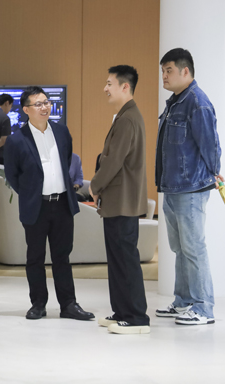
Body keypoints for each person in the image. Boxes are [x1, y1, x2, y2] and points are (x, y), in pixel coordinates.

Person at [4, 86, 94, 321]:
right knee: (35, 257)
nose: (44, 107)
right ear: (26, 110)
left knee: (62, 256)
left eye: (46, 102)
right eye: (38, 104)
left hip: (62, 204)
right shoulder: (16, 140)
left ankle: (69, 304)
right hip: (36, 206)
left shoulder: (62, 132)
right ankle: (38, 304)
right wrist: (31, 194)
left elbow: (67, 161)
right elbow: (12, 175)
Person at [155, 48, 223, 325]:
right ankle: (183, 301)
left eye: (169, 70)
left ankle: (204, 308)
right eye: (163, 71)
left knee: (194, 249)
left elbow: (211, 145)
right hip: (172, 187)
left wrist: (213, 173)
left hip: (191, 188)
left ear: (185, 71)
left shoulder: (197, 102)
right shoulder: (175, 102)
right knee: (180, 249)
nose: (164, 76)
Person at [89, 65, 150, 334]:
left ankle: (136, 318)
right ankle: (122, 312)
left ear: (125, 86)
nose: (105, 88)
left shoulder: (127, 118)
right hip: (118, 201)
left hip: (123, 201)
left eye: (109, 83)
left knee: (125, 260)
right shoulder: (125, 115)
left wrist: (95, 185)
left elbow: (113, 161)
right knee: (117, 260)